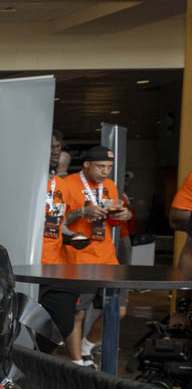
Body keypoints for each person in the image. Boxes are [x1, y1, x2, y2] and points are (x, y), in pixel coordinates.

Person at [59, 145, 132, 365]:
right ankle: (77, 362)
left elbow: (112, 221)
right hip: (78, 258)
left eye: (109, 167)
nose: (105, 172)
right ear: (86, 164)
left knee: (118, 310)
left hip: (107, 258)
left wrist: (124, 215)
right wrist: (82, 212)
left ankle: (87, 346)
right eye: (100, 166)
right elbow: (57, 220)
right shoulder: (68, 184)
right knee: (77, 312)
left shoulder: (109, 185)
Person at [37, 130, 80, 361]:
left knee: (63, 322)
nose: (55, 152)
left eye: (58, 147)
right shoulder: (26, 182)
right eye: (50, 146)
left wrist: (71, 236)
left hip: (55, 265)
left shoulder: (60, 184)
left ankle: (31, 359)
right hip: (27, 264)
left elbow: (59, 222)